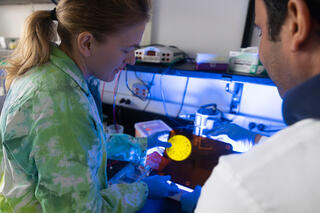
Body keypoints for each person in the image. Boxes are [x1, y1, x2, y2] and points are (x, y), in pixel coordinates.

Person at [0, 0, 179, 212]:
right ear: (86, 43)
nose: (131, 60)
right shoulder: (60, 101)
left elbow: (83, 143)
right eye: (126, 50)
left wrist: (139, 147)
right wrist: (143, 190)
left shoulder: (53, 73)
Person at [193, 0, 320, 212]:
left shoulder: (241, 185)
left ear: (296, 24)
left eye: (260, 31)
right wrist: (255, 141)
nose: (261, 54)